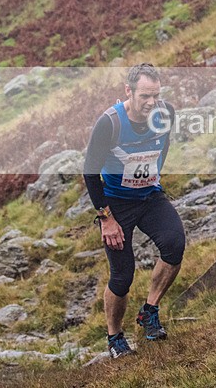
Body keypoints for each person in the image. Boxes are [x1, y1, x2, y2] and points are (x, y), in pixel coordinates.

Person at [83, 63, 185, 358]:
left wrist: (154, 177)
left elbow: (163, 145)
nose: (151, 102)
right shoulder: (110, 123)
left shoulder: (165, 113)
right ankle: (115, 338)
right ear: (128, 91)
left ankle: (149, 312)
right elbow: (90, 172)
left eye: (156, 95)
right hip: (116, 204)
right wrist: (106, 219)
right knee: (122, 276)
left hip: (149, 196)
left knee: (175, 245)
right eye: (145, 96)